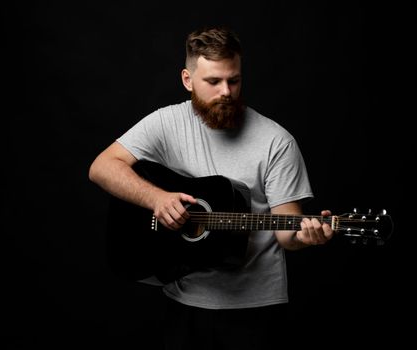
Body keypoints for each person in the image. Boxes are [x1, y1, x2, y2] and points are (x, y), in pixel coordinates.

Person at [89, 26, 334, 350]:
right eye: (213, 82)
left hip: (257, 309)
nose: (226, 92)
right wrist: (157, 198)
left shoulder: (276, 141)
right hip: (184, 301)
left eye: (234, 80)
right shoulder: (166, 123)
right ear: (188, 80)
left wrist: (306, 236)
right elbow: (101, 167)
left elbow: (287, 234)